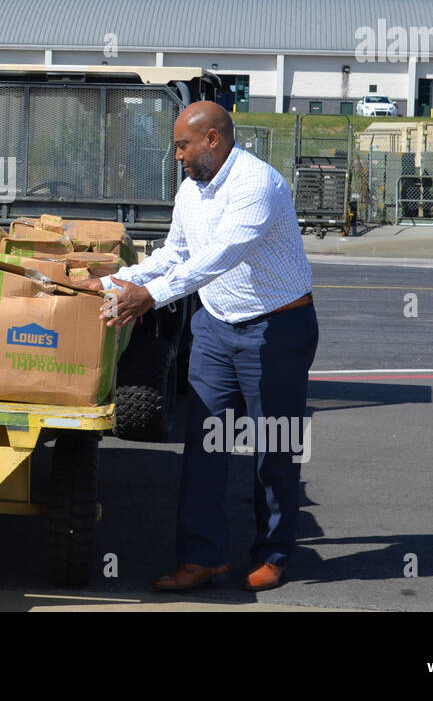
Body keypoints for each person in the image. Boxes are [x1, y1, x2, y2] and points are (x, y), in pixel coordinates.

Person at [85, 101, 317, 593]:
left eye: (182, 145)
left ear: (213, 139)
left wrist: (151, 295)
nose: (176, 156)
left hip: (276, 330)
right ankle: (201, 558)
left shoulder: (258, 184)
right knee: (205, 445)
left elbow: (221, 256)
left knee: (272, 446)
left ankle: (273, 554)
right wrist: (115, 279)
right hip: (215, 327)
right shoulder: (192, 188)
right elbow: (178, 252)